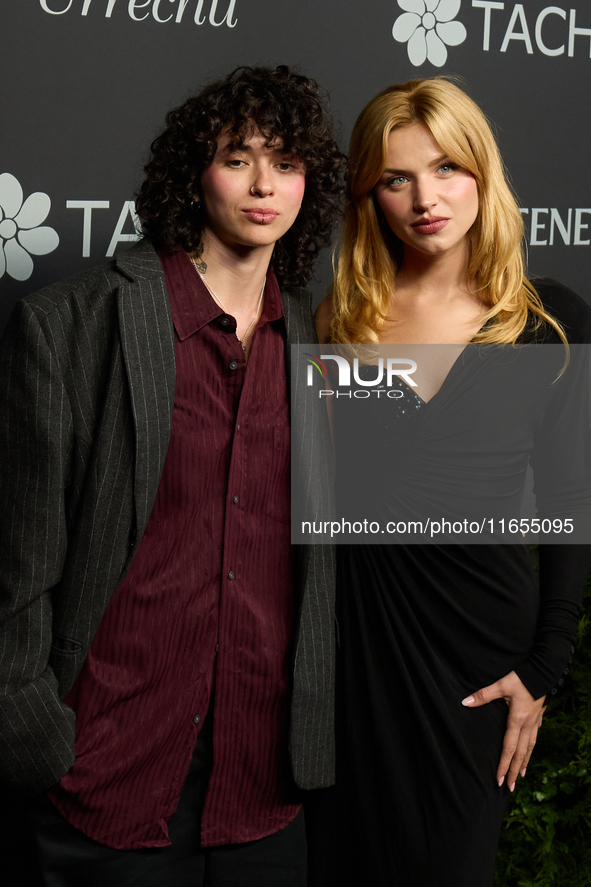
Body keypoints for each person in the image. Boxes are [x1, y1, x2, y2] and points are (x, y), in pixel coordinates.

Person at [0, 65, 343, 886]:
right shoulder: (71, 325)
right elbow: (19, 568)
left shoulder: (324, 346)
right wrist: (40, 739)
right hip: (107, 775)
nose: (265, 184)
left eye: (287, 163)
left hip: (265, 784)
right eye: (238, 157)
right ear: (195, 171)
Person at [310, 77, 591, 886]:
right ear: (370, 195)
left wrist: (543, 668)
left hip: (474, 663)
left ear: (481, 173)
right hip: (355, 650)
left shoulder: (549, 324)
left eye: (446, 169)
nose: (424, 198)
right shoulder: (336, 319)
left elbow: (570, 505)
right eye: (395, 179)